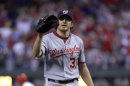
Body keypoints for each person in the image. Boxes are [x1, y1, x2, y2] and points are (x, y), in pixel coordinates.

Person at [32, 9, 94, 86]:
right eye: (61, 19)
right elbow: (36, 54)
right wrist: (40, 35)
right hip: (53, 83)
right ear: (57, 22)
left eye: (67, 19)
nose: (64, 21)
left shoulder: (78, 41)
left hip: (73, 83)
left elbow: (83, 67)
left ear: (71, 24)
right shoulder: (46, 39)